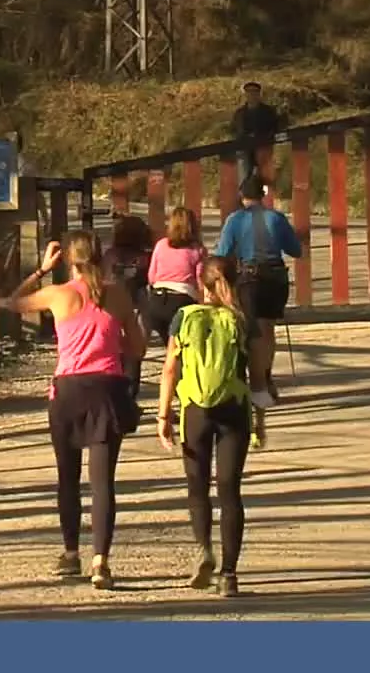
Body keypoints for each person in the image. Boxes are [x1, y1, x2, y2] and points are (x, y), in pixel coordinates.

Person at [0, 232, 146, 589]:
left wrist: (41, 271)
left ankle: (71, 551)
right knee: (103, 482)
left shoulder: (58, 294)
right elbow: (136, 348)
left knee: (68, 476)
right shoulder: (118, 295)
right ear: (101, 257)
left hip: (68, 390)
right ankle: (101, 561)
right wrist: (113, 339)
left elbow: (8, 303)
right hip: (106, 389)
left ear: (69, 260)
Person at [156, 256, 261, 597]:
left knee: (197, 486)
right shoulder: (243, 320)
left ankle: (204, 550)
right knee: (229, 491)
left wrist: (163, 415)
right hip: (234, 409)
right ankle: (229, 575)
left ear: (201, 284)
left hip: (195, 412)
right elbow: (257, 376)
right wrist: (261, 416)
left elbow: (170, 369)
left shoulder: (185, 317)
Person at [214, 178, 302, 411]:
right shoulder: (276, 218)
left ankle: (257, 386)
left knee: (252, 332)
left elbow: (221, 254)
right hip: (275, 277)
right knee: (267, 330)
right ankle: (265, 377)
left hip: (249, 278)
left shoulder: (235, 220)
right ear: (262, 196)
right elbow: (296, 250)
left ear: (242, 196)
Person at [101, 215, 153, 400]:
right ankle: (130, 396)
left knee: (112, 350)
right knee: (134, 353)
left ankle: (112, 394)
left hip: (111, 306)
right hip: (138, 305)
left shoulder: (110, 255)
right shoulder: (145, 257)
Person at [145, 207, 206, 344]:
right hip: (182, 300)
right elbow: (200, 280)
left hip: (158, 300)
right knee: (181, 343)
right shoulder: (197, 249)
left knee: (169, 342)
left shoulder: (161, 245)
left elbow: (151, 276)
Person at [229, 81, 284, 190]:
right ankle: (244, 194)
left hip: (263, 148)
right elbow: (233, 130)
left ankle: (264, 196)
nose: (251, 95)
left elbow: (276, 128)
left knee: (264, 176)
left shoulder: (268, 111)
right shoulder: (239, 113)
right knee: (244, 170)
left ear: (259, 94)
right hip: (245, 148)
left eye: (254, 92)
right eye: (249, 92)